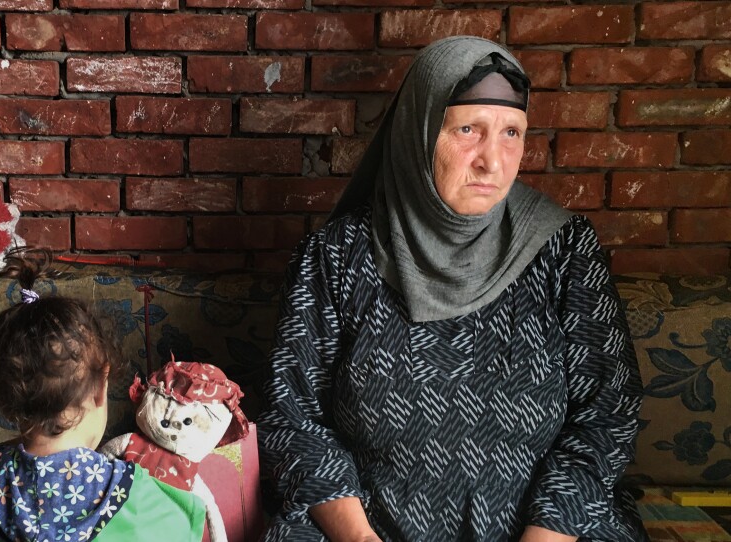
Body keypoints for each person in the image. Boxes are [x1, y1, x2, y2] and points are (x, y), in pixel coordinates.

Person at [257, 36, 647, 542]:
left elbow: (608, 411)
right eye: (468, 129)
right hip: (366, 523)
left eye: (512, 133)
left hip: (547, 529)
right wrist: (358, 537)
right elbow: (291, 414)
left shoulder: (564, 250)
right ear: (419, 131)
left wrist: (546, 535)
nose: (493, 160)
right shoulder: (337, 255)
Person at [0, 248, 206, 542]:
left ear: (10, 398)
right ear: (101, 387)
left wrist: (12, 448)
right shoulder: (137, 497)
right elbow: (187, 524)